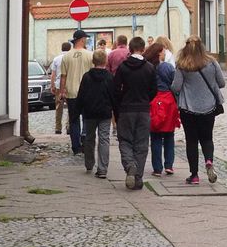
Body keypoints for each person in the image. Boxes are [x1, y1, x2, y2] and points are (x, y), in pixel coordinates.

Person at [171, 35, 225, 185]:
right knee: (207, 138)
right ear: (202, 46)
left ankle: (194, 175)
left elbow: (176, 87)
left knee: (192, 141)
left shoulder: (182, 64)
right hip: (209, 108)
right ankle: (208, 160)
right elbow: (221, 83)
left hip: (188, 109)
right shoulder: (212, 62)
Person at [113, 36, 158, 190]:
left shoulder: (123, 67)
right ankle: (137, 177)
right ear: (143, 49)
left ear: (130, 49)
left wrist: (119, 104)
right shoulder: (149, 68)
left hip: (126, 109)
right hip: (143, 110)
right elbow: (154, 90)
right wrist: (145, 99)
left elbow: (115, 89)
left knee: (125, 140)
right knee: (142, 144)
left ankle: (130, 165)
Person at [76, 49, 116, 178]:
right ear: (105, 61)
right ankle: (103, 168)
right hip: (105, 113)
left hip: (90, 112)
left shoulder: (87, 77)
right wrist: (116, 111)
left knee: (89, 138)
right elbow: (114, 96)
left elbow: (81, 95)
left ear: (93, 61)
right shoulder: (110, 77)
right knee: (104, 139)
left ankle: (89, 163)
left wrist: (77, 112)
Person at [144, 43, 180, 176]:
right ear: (159, 53)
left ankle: (157, 168)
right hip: (168, 102)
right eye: (164, 51)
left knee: (155, 136)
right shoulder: (167, 67)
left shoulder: (148, 67)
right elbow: (175, 84)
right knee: (169, 134)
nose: (165, 53)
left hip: (154, 101)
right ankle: (169, 165)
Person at [60, 29, 93, 155]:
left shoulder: (66, 56)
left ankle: (76, 146)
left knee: (74, 120)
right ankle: (85, 138)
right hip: (87, 92)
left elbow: (63, 76)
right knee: (87, 118)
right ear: (82, 40)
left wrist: (62, 92)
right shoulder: (89, 55)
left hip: (72, 92)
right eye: (85, 39)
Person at [50, 41, 71, 134]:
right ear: (70, 49)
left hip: (59, 85)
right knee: (71, 107)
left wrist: (52, 85)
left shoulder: (56, 59)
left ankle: (58, 128)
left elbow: (53, 74)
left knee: (59, 107)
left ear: (61, 48)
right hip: (69, 85)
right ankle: (69, 126)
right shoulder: (71, 58)